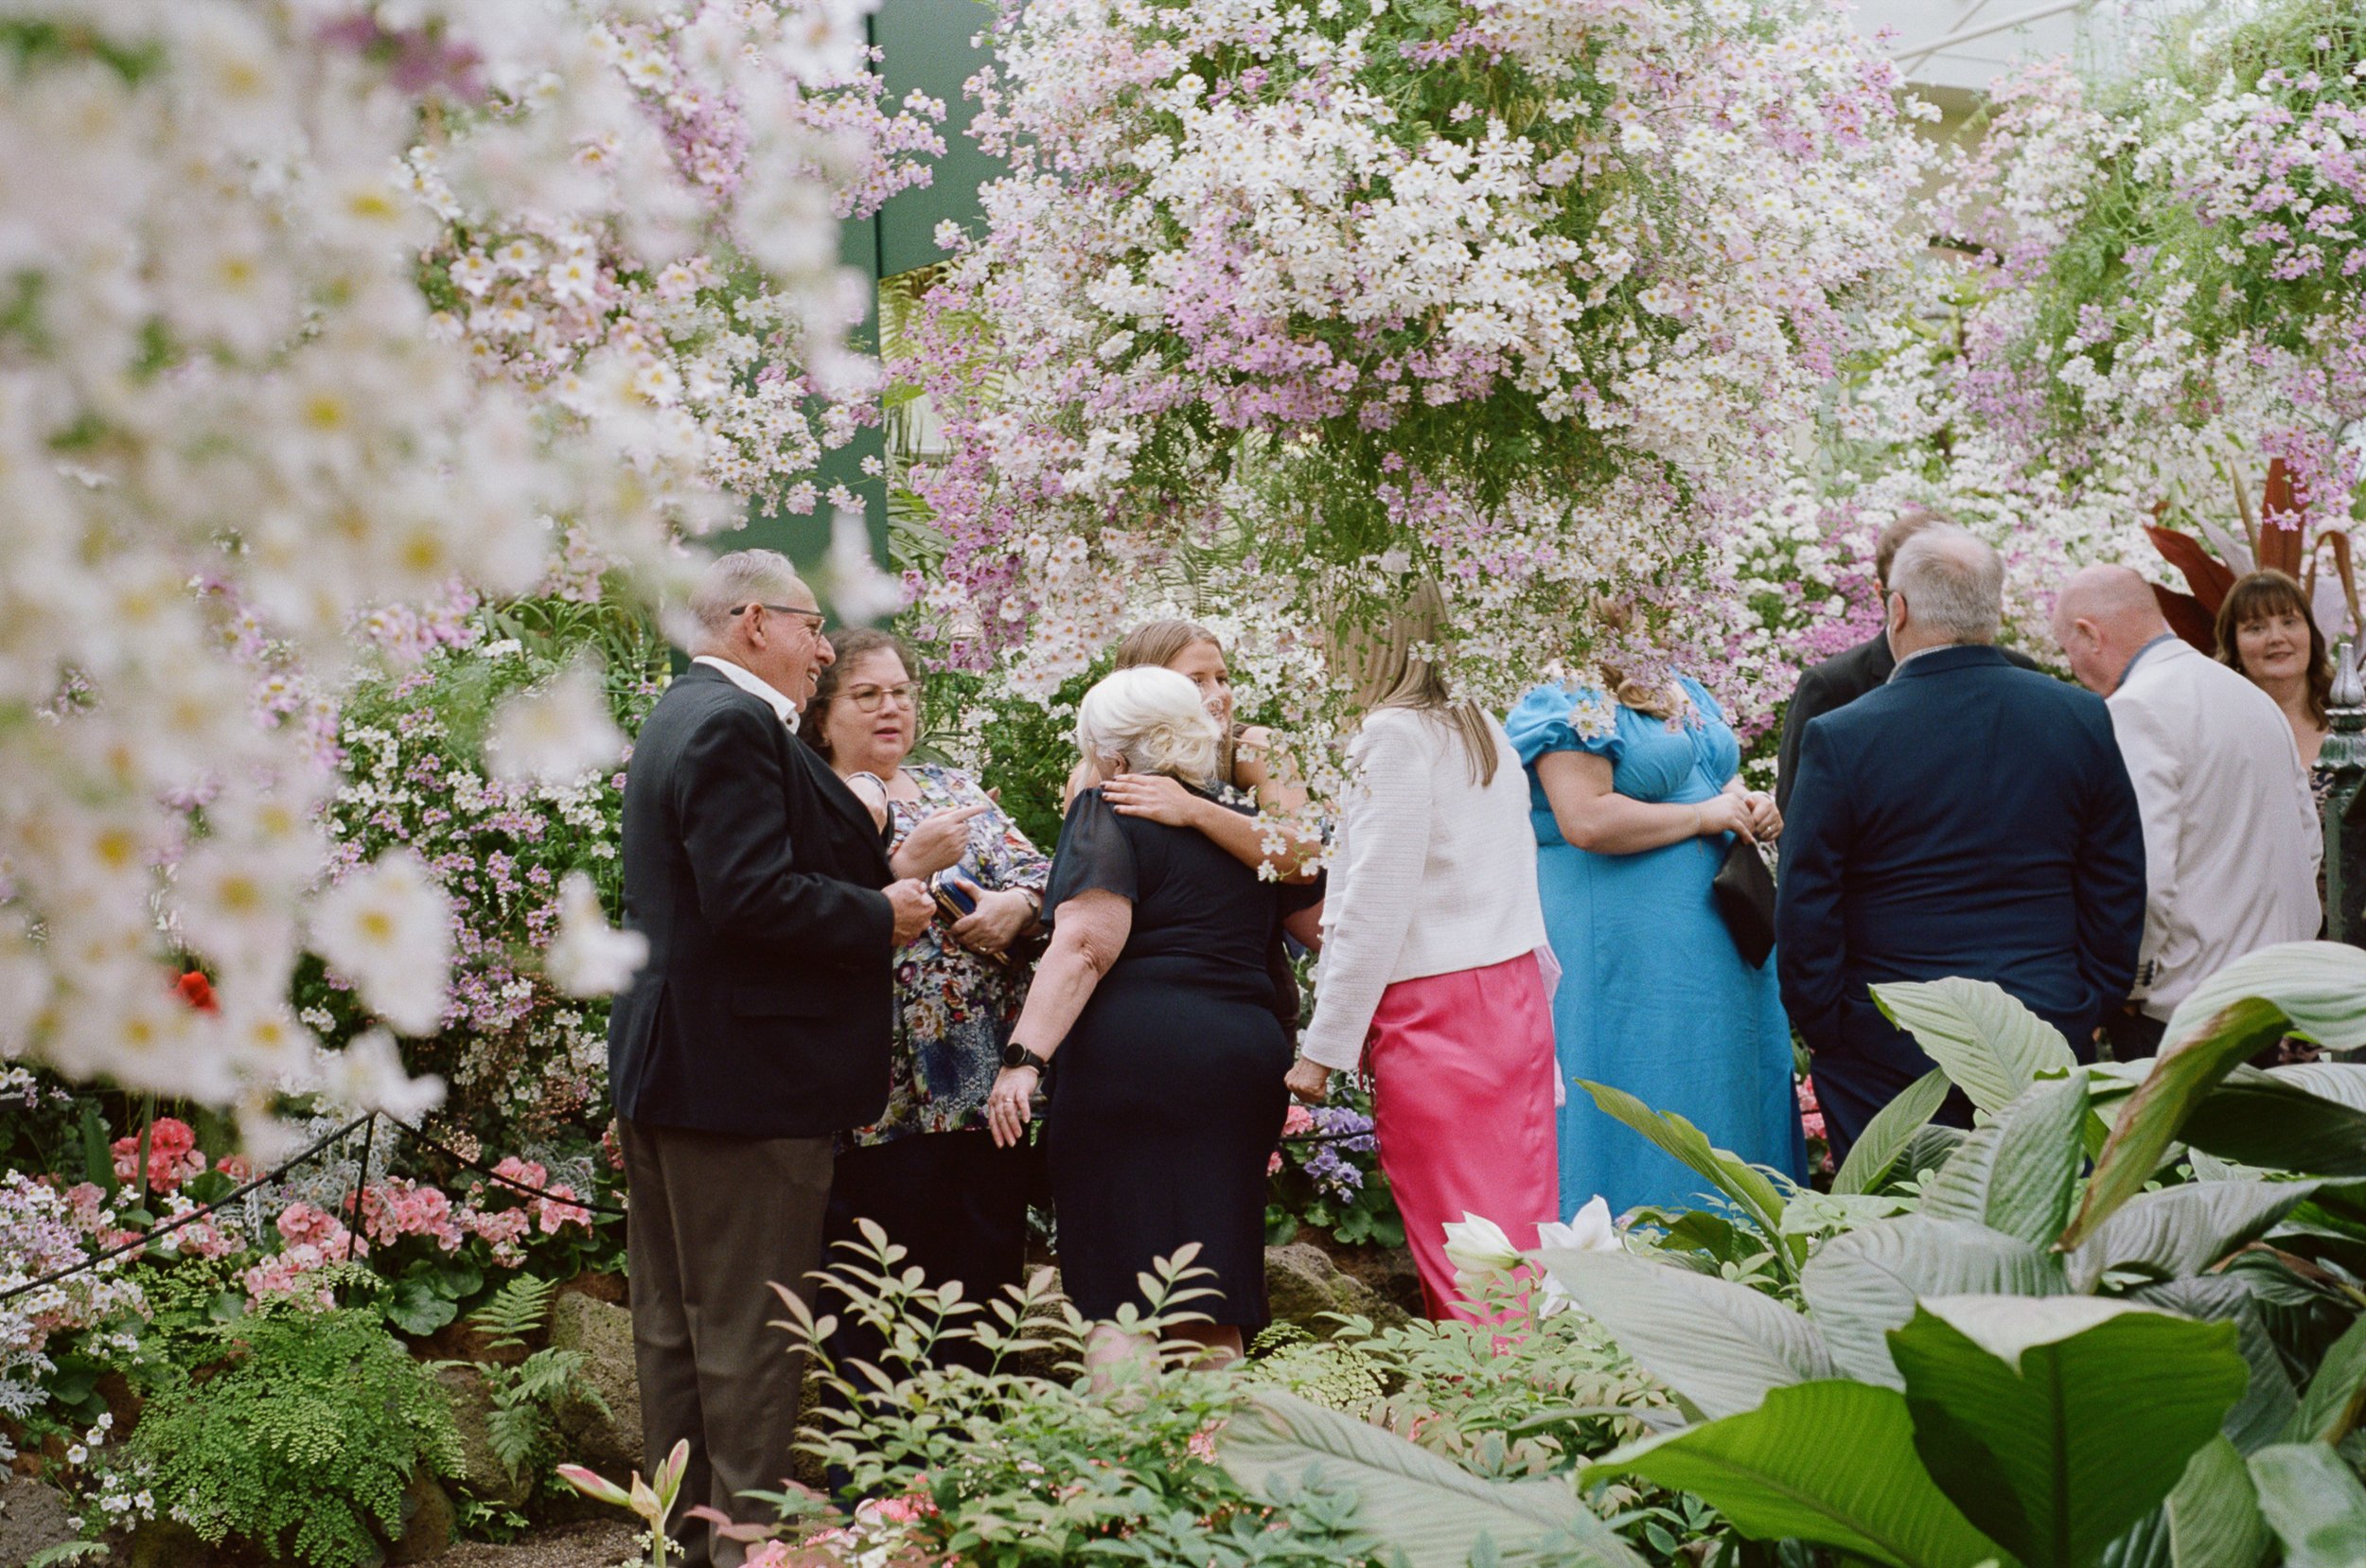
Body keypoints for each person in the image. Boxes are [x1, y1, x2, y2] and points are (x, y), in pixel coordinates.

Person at [606, 551, 933, 1568]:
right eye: (808, 625)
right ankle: (741, 1551)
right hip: (741, 1084)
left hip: (678, 1070)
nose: (823, 646)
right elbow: (748, 897)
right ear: (753, 621)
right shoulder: (732, 725)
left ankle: (679, 1543)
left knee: (674, 1330)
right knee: (747, 1339)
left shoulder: (681, 714)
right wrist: (881, 912)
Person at [1776, 527, 2145, 1162]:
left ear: (1898, 610)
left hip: (1887, 1040)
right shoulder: (2078, 716)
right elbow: (2116, 879)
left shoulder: (1843, 737)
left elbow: (1807, 899)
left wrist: (1833, 1028)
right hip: (2042, 1024)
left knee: (1904, 1239)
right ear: (1994, 612)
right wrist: (2089, 1000)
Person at [983, 665, 1295, 1361]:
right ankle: (1215, 1464)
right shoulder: (1244, 827)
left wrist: (1023, 1060)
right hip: (1242, 1061)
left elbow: (1086, 944)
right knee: (1212, 1292)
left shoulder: (1105, 809)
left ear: (1115, 755)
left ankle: (1125, 1469)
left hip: (1139, 1068)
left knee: (1121, 1295)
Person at [1280, 583, 1556, 1323]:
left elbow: (1376, 898)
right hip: (1512, 995)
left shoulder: (1392, 735)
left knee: (1462, 1245)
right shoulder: (1480, 726)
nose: (1316, 641)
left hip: (1441, 1014)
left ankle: (1487, 1422)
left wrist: (1322, 1048)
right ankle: (1543, 1409)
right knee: (1516, 1239)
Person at [804, 628, 1050, 1337]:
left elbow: (1041, 877)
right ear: (823, 712)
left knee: (982, 1283)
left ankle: (975, 1446)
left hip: (979, 1090)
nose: (890, 709)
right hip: (875, 1099)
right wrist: (904, 862)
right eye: (867, 695)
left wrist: (1017, 908)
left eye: (901, 694)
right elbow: (802, 912)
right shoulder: (813, 796)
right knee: (878, 1298)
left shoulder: (952, 787)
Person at [1504, 661, 1802, 1220]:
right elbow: (1585, 821)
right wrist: (1699, 817)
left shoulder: (1679, 681)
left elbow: (1709, 777)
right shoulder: (1564, 691)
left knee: (1727, 1094)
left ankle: (1748, 1272)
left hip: (1720, 937)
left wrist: (1747, 801)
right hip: (1630, 948)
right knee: (1652, 1093)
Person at [2053, 565, 2321, 1058]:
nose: (2072, 667)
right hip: (2268, 1002)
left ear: (2090, 635)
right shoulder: (2252, 698)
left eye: (2066, 649)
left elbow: (2142, 877)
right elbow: (2307, 847)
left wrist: (2130, 986)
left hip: (2181, 1013)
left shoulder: (2135, 708)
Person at [1067, 620, 1324, 946]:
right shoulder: (1094, 774)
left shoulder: (1256, 750)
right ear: (1147, 689)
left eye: (1222, 679)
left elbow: (1305, 861)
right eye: (1197, 682)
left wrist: (1194, 810)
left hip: (1245, 956)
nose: (1218, 695)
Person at [1775, 508, 2042, 813]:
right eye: (1914, 588)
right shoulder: (1832, 686)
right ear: (1884, 597)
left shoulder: (2019, 671)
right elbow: (1798, 813)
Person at [2217, 568, 2335, 773]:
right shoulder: (2218, 735)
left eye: (2289, 622)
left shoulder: (2354, 723)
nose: (2277, 638)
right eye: (2256, 628)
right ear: (2234, 647)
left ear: (2311, 634)